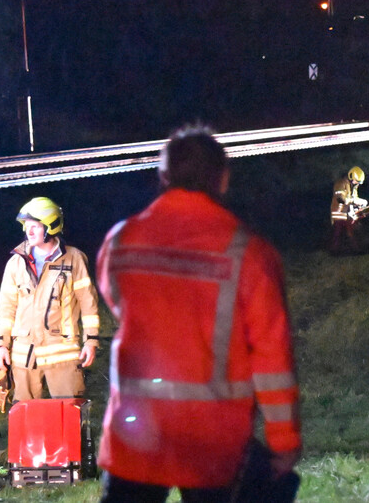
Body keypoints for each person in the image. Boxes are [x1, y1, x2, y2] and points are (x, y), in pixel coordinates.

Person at [96, 124, 301, 502]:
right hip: (213, 441)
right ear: (222, 180)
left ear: (164, 176)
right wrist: (283, 438)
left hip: (135, 436)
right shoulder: (249, 253)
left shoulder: (121, 240)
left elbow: (115, 299)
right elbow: (272, 358)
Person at [0, 196, 101, 401]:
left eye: (35, 226)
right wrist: (1, 345)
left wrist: (91, 341)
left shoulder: (74, 259)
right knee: (25, 418)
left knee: (70, 416)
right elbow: (6, 308)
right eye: (27, 226)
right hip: (24, 356)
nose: (29, 231)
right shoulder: (16, 263)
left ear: (51, 226)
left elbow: (88, 303)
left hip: (63, 356)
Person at [328, 166, 367, 254]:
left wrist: (362, 202)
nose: (357, 183)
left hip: (347, 213)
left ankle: (355, 250)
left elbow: (354, 198)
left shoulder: (353, 187)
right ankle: (334, 252)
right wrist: (352, 201)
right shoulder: (341, 183)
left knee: (351, 232)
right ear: (351, 176)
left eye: (359, 182)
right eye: (356, 181)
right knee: (337, 233)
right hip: (338, 212)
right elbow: (340, 198)